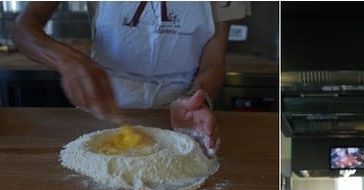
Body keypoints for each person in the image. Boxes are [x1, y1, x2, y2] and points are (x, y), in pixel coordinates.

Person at [11, 2, 250, 151]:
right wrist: (68, 61)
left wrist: (197, 99)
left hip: (180, 117)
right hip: (102, 108)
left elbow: (214, 62)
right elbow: (23, 28)